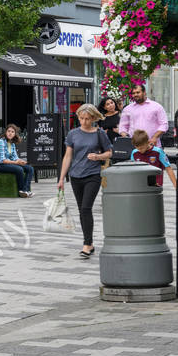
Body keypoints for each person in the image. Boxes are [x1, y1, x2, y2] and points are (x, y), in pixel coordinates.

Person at [58, 103, 112, 259]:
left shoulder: (99, 133)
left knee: (86, 208)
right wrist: (61, 178)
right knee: (82, 209)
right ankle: (90, 243)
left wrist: (98, 157)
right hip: (76, 175)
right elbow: (68, 156)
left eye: (87, 119)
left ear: (94, 118)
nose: (84, 122)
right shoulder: (73, 134)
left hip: (93, 174)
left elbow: (109, 152)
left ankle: (87, 244)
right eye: (81, 118)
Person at [0, 123, 35, 198]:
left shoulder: (12, 144)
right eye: (9, 131)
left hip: (7, 163)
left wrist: (22, 162)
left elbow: (15, 158)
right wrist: (16, 163)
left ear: (15, 134)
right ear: (5, 132)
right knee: (19, 169)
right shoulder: (0, 142)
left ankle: (25, 190)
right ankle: (21, 190)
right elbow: (2, 160)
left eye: (12, 132)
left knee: (30, 168)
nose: (10, 133)